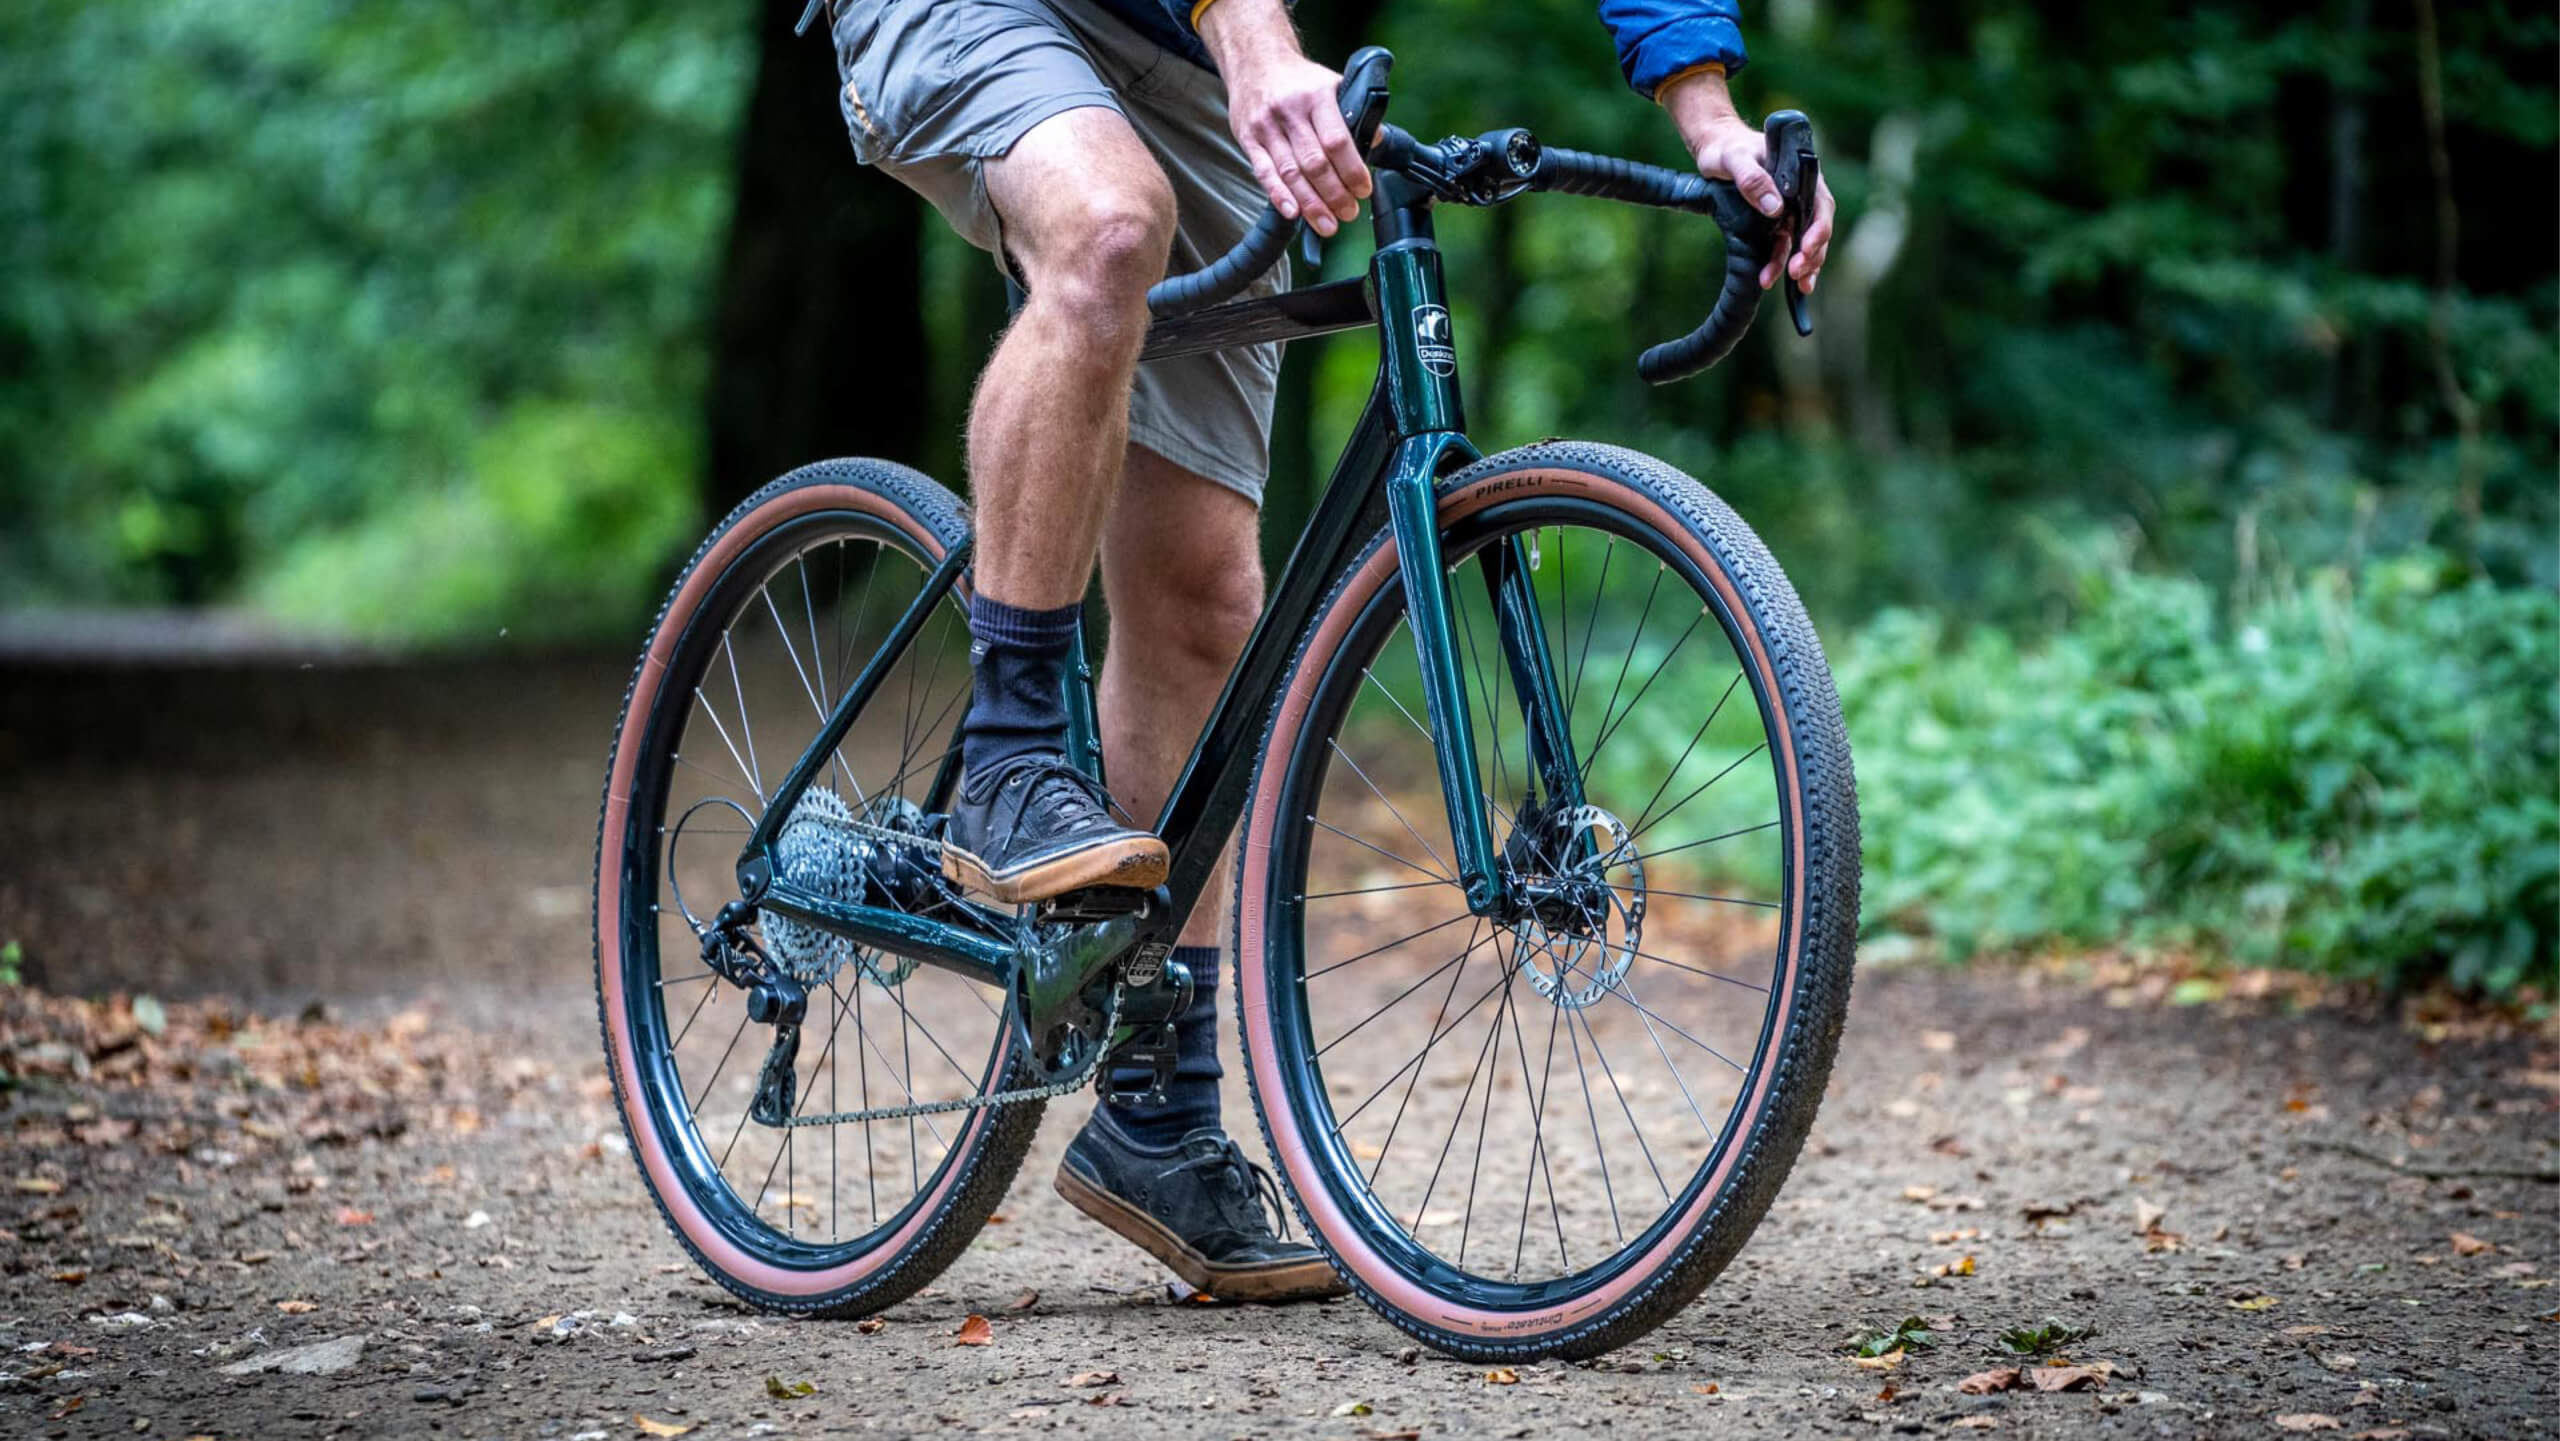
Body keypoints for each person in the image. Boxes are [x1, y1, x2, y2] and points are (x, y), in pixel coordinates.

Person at [822, 0, 1837, 1303]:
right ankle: (1012, 757)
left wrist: (1708, 117)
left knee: (1199, 599)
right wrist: (1253, 46)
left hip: (1184, 57)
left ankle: (1159, 1113)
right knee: (1108, 228)